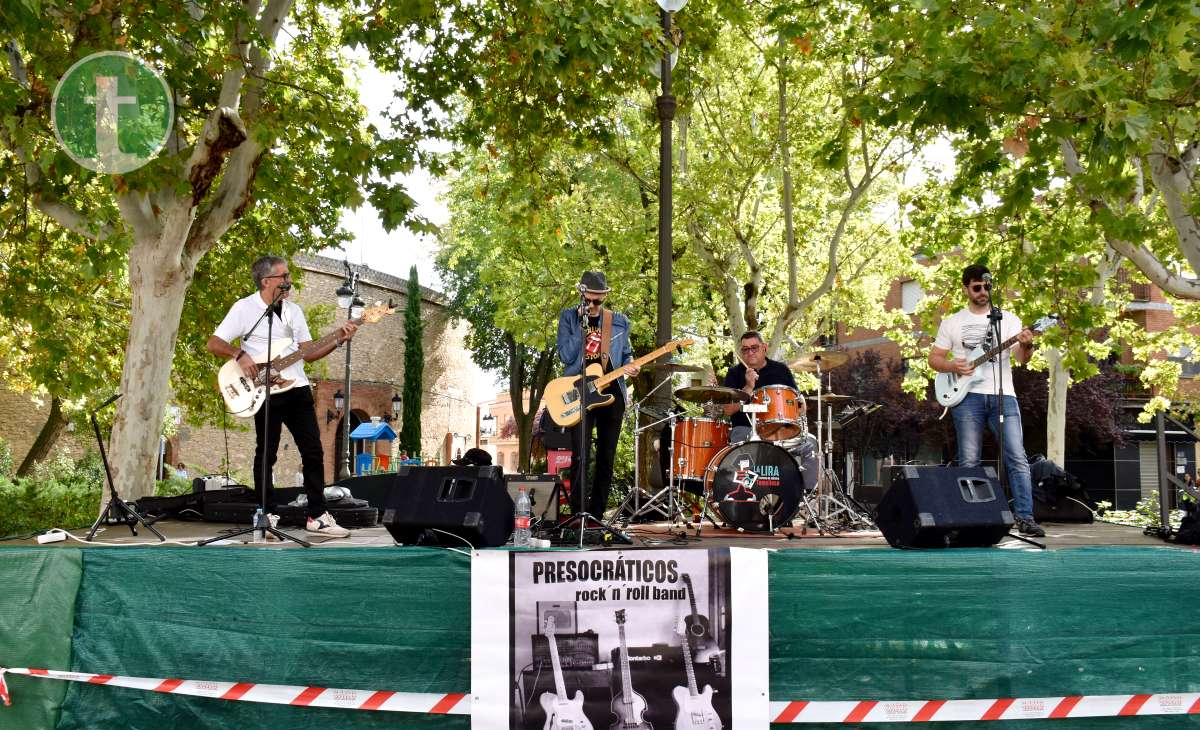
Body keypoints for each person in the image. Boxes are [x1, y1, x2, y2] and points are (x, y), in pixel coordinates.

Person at [206, 255, 358, 538]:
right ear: (266, 281)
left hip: (297, 388)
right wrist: (240, 354)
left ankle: (317, 516)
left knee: (313, 451)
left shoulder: (293, 312)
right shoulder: (244, 308)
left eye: (288, 276)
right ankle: (266, 514)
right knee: (266, 454)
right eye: (284, 276)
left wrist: (339, 338)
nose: (289, 281)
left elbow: (308, 353)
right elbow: (214, 343)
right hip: (264, 392)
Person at [928, 263, 1045, 537]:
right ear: (966, 288)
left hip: (1005, 396)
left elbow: (1021, 359)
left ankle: (1026, 518)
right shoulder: (953, 322)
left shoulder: (1009, 320)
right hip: (967, 397)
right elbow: (934, 359)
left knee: (1017, 457)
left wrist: (1027, 344)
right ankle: (967, 518)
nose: (982, 292)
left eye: (986, 287)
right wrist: (954, 367)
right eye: (977, 287)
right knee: (969, 460)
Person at [556, 271, 639, 517]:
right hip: (580, 389)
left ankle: (597, 515)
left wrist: (632, 363)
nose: (592, 306)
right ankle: (578, 514)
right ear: (581, 294)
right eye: (589, 300)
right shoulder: (568, 317)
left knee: (607, 456)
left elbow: (626, 353)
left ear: (604, 298)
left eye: (598, 301)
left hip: (611, 390)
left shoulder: (619, 321)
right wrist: (581, 330)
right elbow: (566, 356)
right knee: (581, 455)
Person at [722, 330, 800, 443]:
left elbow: (797, 401)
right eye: (745, 349)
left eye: (754, 347)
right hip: (745, 429)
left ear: (764, 347)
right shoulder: (734, 373)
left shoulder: (781, 369)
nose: (750, 352)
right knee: (745, 441)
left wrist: (801, 407)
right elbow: (728, 410)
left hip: (780, 428)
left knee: (809, 445)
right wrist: (748, 387)